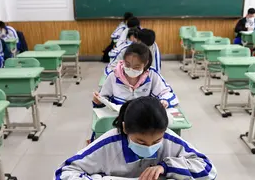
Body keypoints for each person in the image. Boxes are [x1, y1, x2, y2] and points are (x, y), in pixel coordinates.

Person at [55, 96, 217, 180]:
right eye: (140, 141)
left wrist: (166, 167)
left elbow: (208, 170)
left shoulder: (167, 138)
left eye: (156, 142)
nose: (149, 147)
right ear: (125, 128)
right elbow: (64, 173)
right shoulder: (109, 143)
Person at [96, 42, 177, 109]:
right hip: (119, 119)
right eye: (127, 65)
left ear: (145, 64)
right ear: (123, 60)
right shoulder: (113, 76)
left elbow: (167, 93)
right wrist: (99, 102)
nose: (131, 69)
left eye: (136, 67)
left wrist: (164, 101)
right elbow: (103, 98)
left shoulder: (152, 75)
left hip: (144, 120)